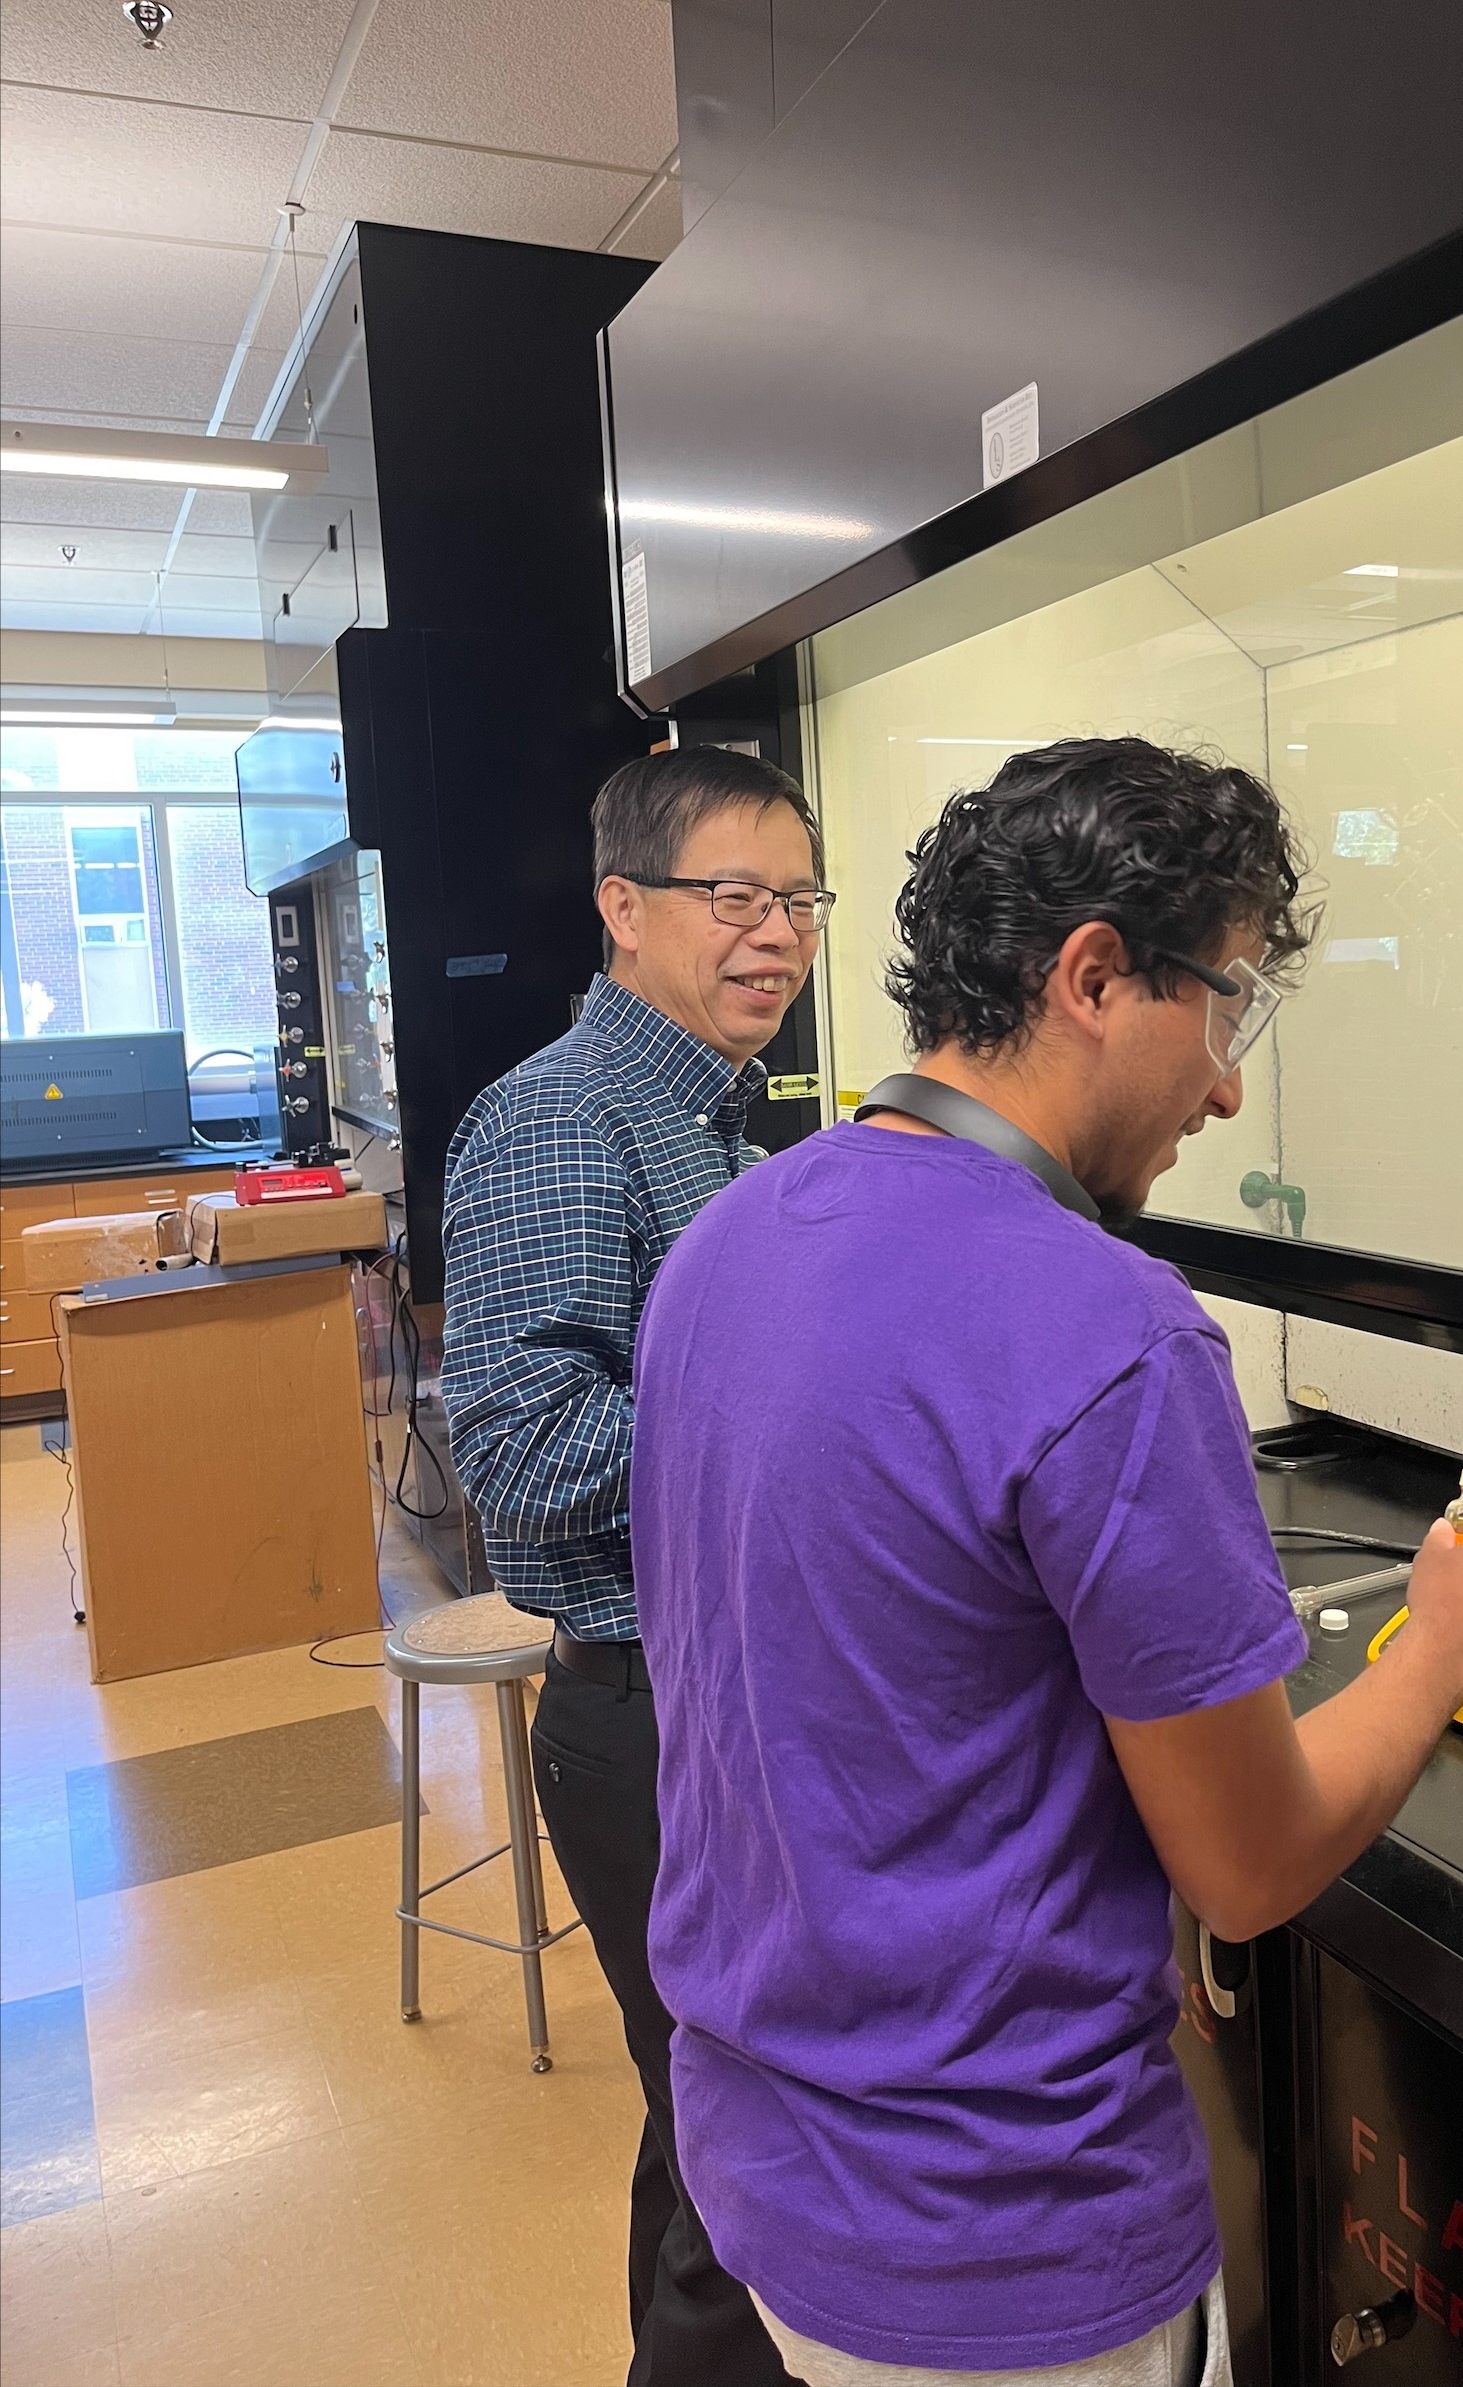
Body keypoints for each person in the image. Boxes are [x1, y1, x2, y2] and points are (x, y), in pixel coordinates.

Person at [628, 738, 1463, 2387]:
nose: (1229, 1087)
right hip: (1001, 2240)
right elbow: (1248, 1866)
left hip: (766, 2165)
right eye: (1231, 1004)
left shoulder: (736, 1233)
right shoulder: (1110, 1330)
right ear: (1098, 976)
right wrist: (1444, 1644)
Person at [441, 744, 833, 2386]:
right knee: (739, 2178)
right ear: (623, 905)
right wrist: (793, 1388)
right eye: (732, 896)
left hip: (730, 1707)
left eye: (799, 900)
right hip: (652, 1725)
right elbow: (520, 1456)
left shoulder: (709, 1125)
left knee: (710, 2152)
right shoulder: (558, 1119)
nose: (776, 936)